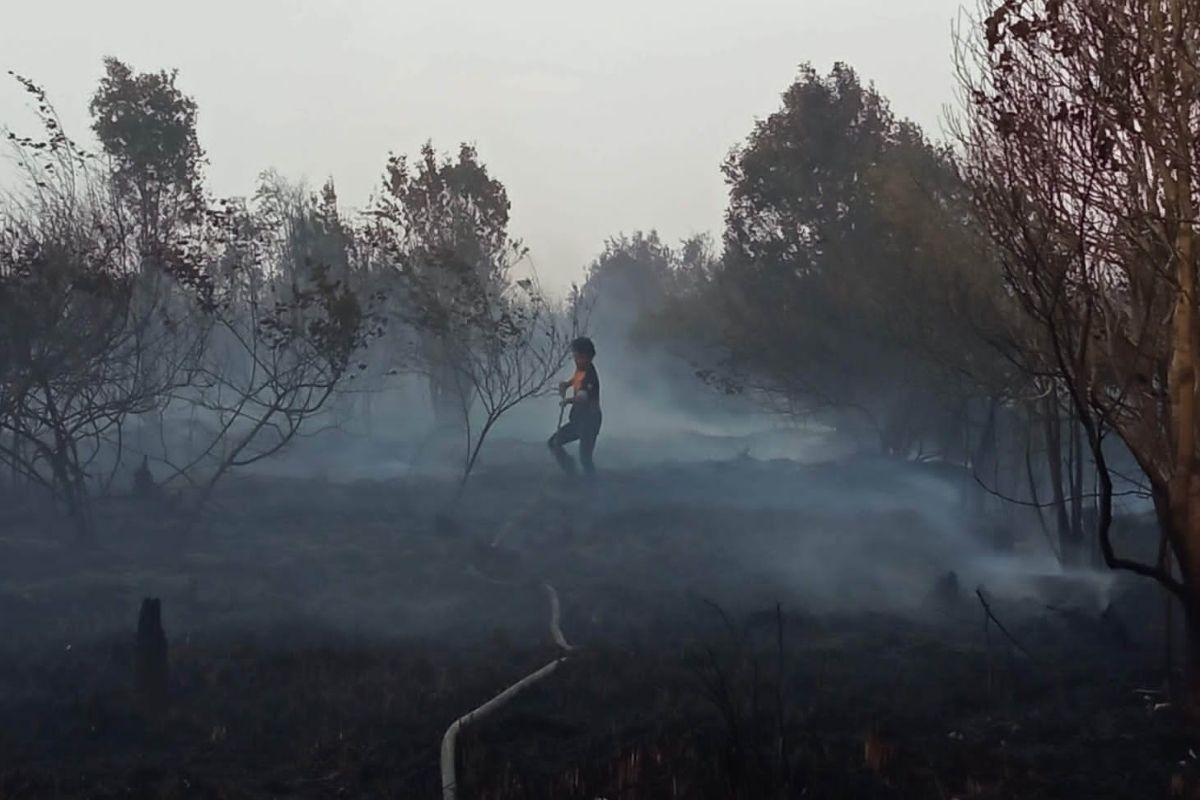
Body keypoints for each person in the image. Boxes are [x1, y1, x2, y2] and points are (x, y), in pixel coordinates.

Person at [548, 337, 601, 479]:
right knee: (554, 443)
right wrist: (566, 384)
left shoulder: (590, 376)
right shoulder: (581, 369)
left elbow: (583, 396)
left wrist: (569, 400)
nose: (576, 359)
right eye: (575, 356)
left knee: (585, 458)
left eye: (579, 356)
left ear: (588, 356)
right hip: (578, 420)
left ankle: (593, 488)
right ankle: (571, 472)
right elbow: (576, 380)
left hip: (590, 422)